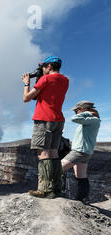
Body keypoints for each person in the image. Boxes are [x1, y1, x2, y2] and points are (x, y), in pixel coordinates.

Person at [21, 56, 69, 198]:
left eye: (43, 67)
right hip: (58, 120)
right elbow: (47, 93)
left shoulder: (45, 79)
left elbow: (26, 98)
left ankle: (44, 189)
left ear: (49, 67)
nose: (42, 70)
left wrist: (26, 83)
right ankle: (56, 188)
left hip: (43, 119)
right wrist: (40, 78)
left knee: (43, 154)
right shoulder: (65, 80)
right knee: (54, 153)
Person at [61, 101, 101, 203]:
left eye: (76, 110)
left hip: (80, 152)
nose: (75, 113)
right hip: (84, 152)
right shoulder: (90, 121)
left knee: (57, 168)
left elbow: (74, 119)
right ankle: (82, 198)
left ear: (83, 109)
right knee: (80, 176)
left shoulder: (93, 119)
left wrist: (88, 112)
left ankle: (57, 191)